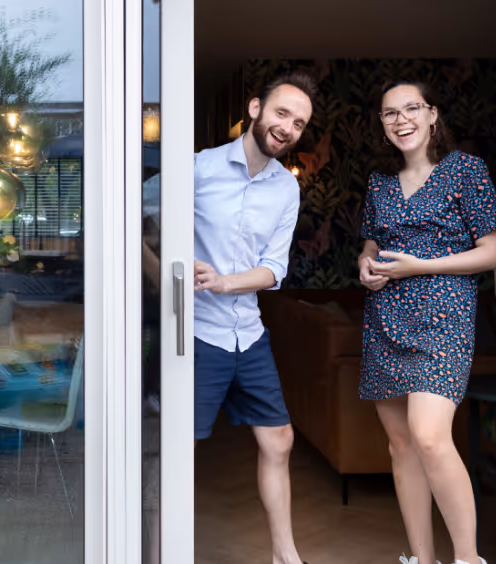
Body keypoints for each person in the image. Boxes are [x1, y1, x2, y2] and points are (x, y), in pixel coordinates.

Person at [359, 80, 496, 564]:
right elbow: (372, 242)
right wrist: (368, 264)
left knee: (428, 435)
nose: (401, 120)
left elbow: (495, 251)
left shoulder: (466, 171)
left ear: (432, 115)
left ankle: (467, 558)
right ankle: (422, 560)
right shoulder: (379, 183)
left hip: (444, 317)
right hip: (385, 320)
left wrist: (421, 267)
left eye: (411, 109)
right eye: (389, 114)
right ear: (382, 125)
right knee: (401, 446)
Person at [192, 71, 316, 564]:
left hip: (248, 332)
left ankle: (284, 555)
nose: (288, 128)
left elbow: (273, 270)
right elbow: (133, 224)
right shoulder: (197, 169)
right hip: (196, 332)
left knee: (279, 439)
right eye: (283, 113)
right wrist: (167, 279)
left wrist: (225, 281)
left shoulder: (287, 190)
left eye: (300, 123)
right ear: (255, 109)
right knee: (179, 449)